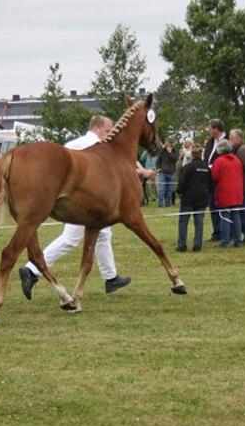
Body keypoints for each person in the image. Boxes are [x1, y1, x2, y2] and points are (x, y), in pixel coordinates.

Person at [18, 116, 132, 299]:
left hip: (83, 199)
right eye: (108, 131)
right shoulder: (97, 145)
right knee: (70, 239)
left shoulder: (73, 144)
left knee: (103, 235)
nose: (110, 135)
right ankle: (31, 270)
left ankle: (111, 277)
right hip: (84, 201)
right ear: (97, 128)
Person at [175, 145, 210, 252]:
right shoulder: (207, 168)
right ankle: (197, 245)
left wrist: (179, 192)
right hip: (202, 199)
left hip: (188, 199)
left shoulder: (188, 167)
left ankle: (181, 245)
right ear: (201, 154)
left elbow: (183, 182)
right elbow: (211, 184)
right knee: (199, 222)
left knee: (183, 222)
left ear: (192, 155)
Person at [210, 139, 243, 248]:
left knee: (224, 216)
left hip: (225, 191)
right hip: (237, 192)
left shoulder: (219, 161)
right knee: (236, 215)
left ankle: (225, 240)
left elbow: (214, 176)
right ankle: (238, 240)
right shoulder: (237, 159)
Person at [203, 118, 227, 241]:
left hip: (221, 179)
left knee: (221, 207)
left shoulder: (227, 141)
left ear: (216, 129)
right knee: (212, 205)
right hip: (210, 179)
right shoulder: (211, 142)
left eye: (210, 128)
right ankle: (216, 232)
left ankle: (224, 232)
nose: (209, 130)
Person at [156, 137, 178, 207]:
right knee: (162, 189)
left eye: (168, 143)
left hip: (171, 172)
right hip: (163, 172)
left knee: (169, 189)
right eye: (166, 143)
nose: (167, 144)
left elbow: (175, 159)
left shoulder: (174, 151)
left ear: (171, 144)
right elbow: (158, 161)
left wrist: (170, 152)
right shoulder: (162, 151)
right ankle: (160, 203)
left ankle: (168, 204)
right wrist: (158, 168)